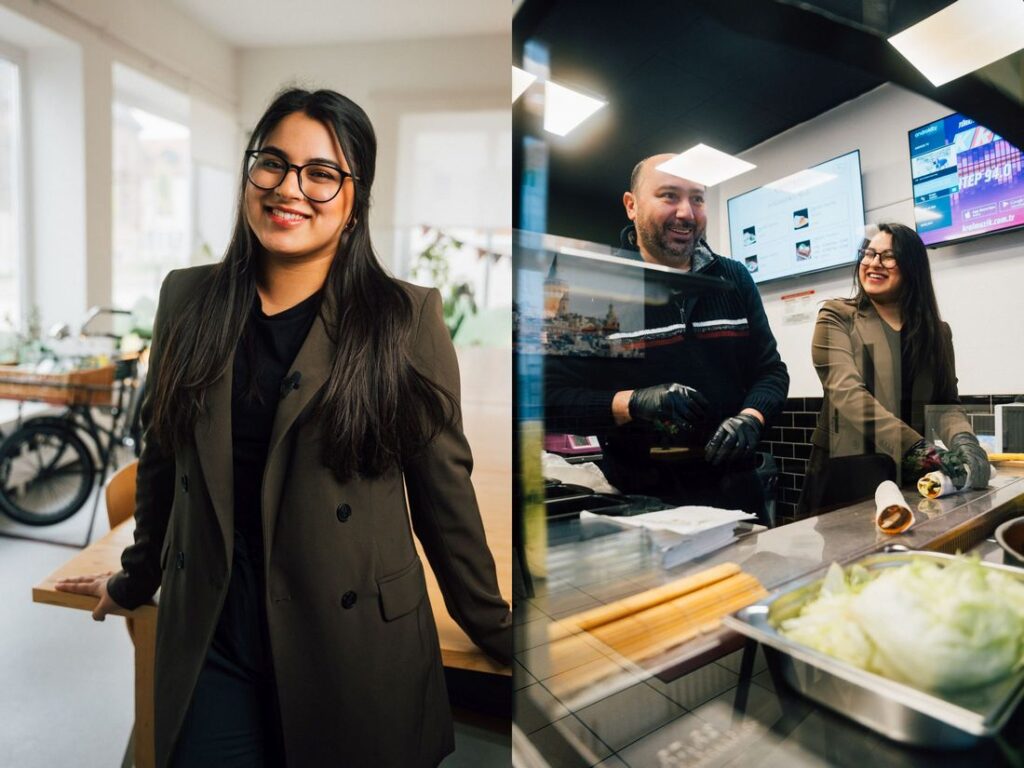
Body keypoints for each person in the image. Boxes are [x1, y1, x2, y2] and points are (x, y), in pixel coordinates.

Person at [55, 88, 511, 768]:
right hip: (215, 626)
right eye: (272, 162)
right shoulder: (188, 299)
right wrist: (134, 575)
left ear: (355, 200)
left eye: (321, 173)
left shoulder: (402, 319)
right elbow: (163, 457)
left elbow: (444, 497)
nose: (289, 188)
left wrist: (499, 629)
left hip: (349, 636)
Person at [545, 154, 789, 521]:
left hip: (736, 495)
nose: (686, 213)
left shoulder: (734, 279)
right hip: (639, 503)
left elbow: (770, 372)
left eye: (697, 198)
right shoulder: (592, 288)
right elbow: (551, 399)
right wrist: (633, 403)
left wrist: (752, 417)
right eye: (669, 196)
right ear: (631, 205)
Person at [798, 222, 990, 515]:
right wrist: (917, 450)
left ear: (912, 267)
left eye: (888, 256)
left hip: (911, 478)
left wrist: (966, 443)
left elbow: (946, 405)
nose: (875, 263)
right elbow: (847, 393)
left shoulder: (937, 333)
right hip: (845, 473)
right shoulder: (837, 316)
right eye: (869, 254)